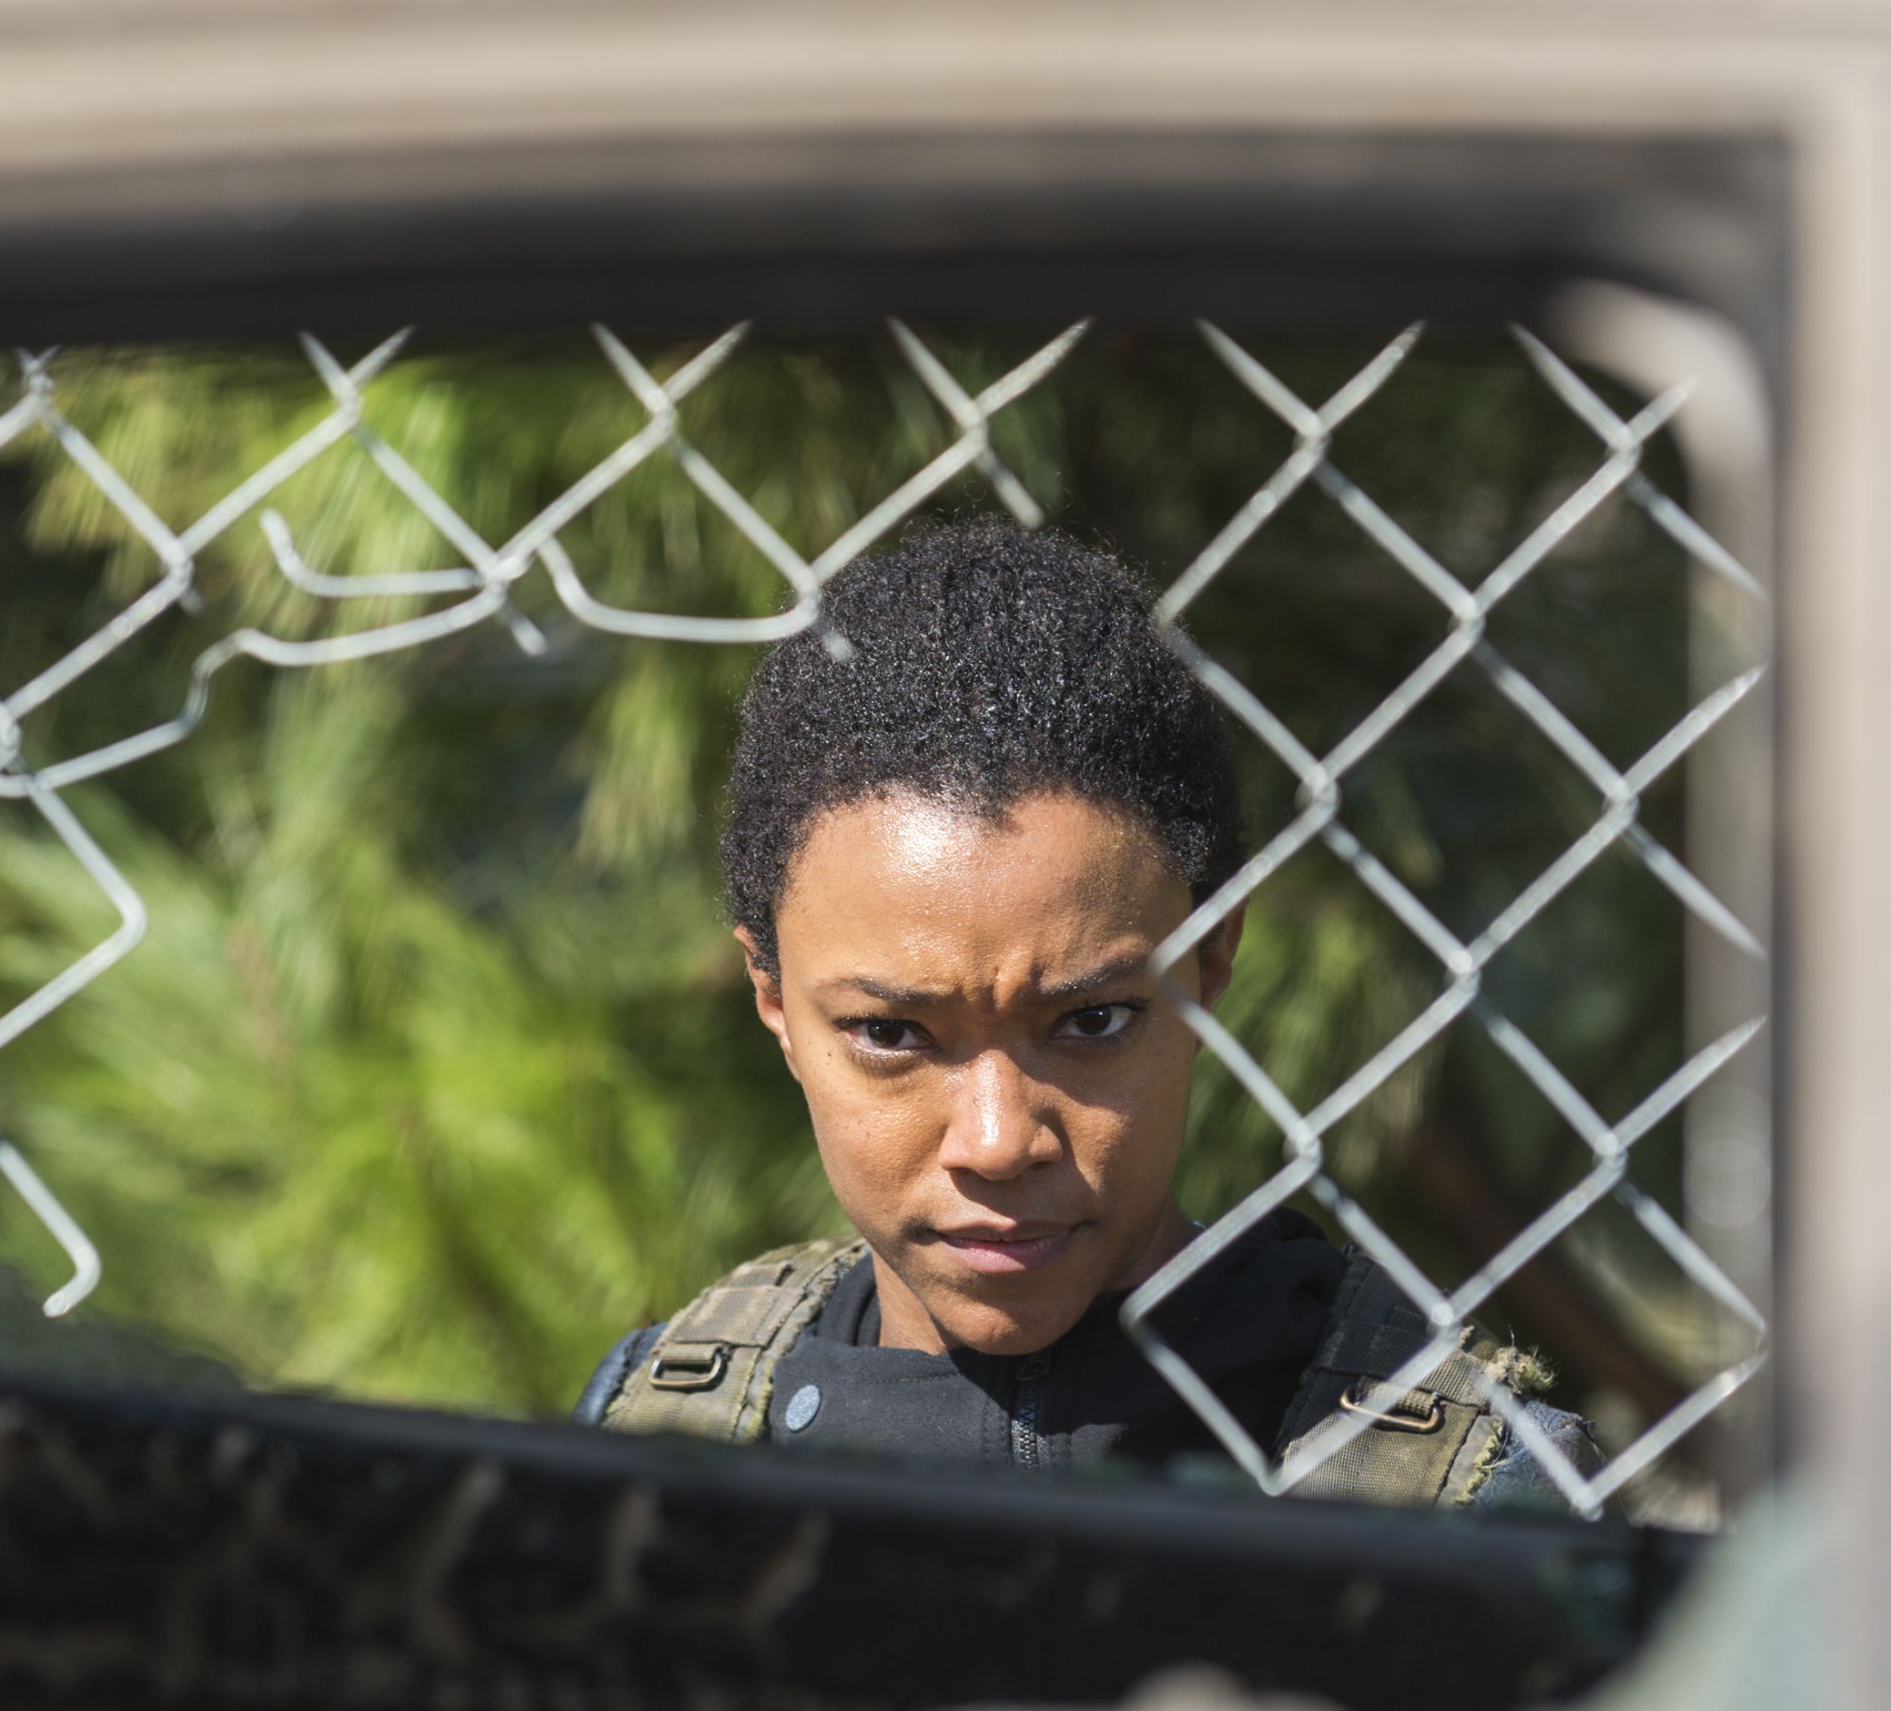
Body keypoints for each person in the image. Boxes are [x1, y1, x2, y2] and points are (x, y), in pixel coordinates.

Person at [573, 522, 1596, 1513]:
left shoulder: (1459, 1488)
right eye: (891, 1034)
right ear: (773, 997)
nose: (997, 1141)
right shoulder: (658, 1428)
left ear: (1210, 959)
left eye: (1092, 1021)